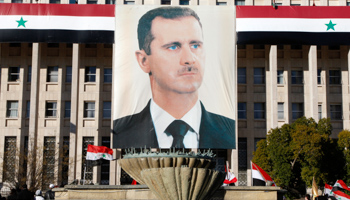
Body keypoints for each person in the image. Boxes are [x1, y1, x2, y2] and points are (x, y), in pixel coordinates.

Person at [113, 6, 235, 149]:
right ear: (144, 61)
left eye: (195, 45)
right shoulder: (120, 132)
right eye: (173, 47)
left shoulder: (229, 131)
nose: (189, 59)